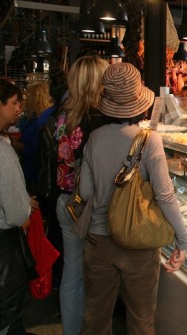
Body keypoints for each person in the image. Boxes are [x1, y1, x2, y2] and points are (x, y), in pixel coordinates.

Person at [79, 62, 187, 335]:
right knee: (140, 321)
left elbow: (86, 192)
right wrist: (182, 240)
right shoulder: (149, 140)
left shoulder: (93, 138)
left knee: (96, 319)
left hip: (98, 241)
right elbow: (164, 195)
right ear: (139, 102)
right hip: (138, 244)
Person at [55, 55, 109, 335]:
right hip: (88, 207)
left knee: (72, 273)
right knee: (95, 279)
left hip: (64, 202)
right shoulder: (96, 120)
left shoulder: (64, 114)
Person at [0, 80, 37, 335]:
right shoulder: (3, 154)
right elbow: (16, 213)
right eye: (13, 102)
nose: (19, 109)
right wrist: (27, 203)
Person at [19, 81, 55, 194]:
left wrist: (17, 145)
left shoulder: (37, 123)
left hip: (33, 172)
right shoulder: (48, 119)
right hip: (39, 172)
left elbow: (35, 149)